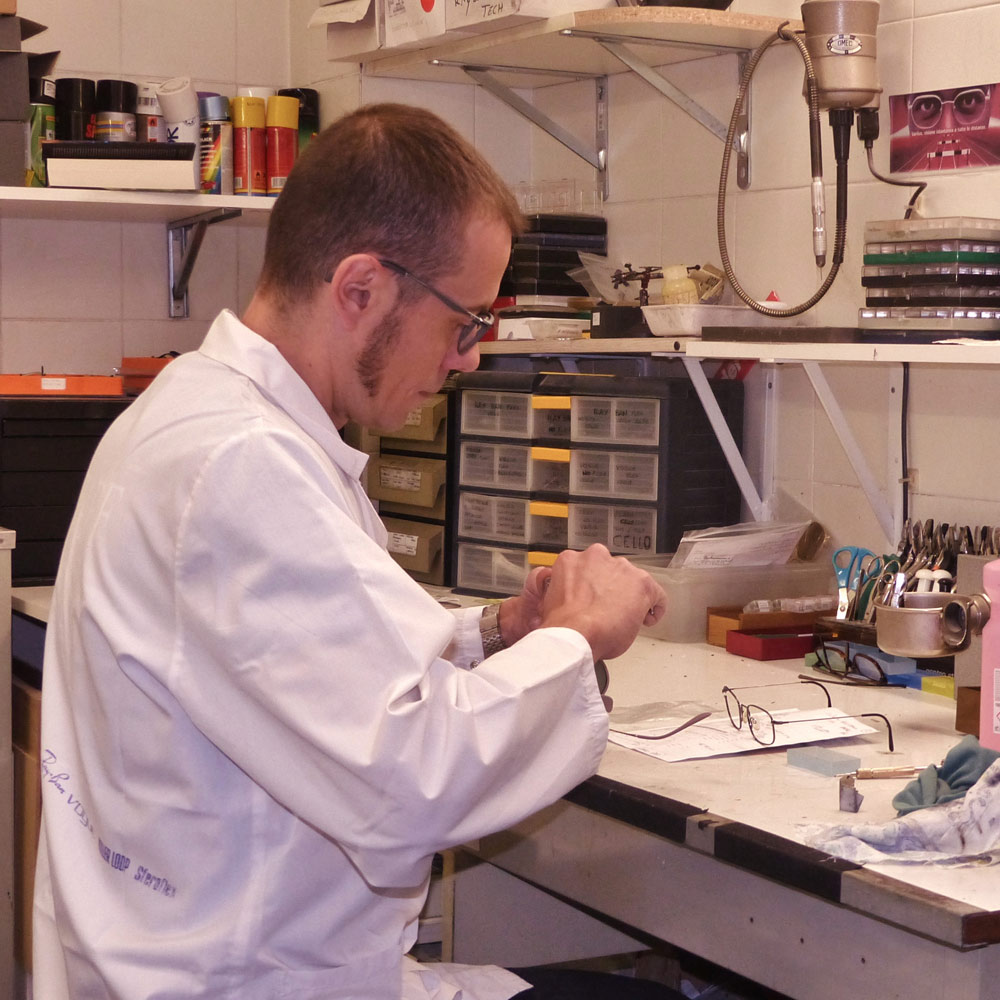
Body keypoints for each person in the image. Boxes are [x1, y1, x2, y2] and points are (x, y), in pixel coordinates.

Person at [33, 103, 674, 1000]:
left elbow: (317, 664)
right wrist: (580, 635)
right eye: (465, 322)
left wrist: (499, 631)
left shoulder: (212, 418)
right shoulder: (237, 464)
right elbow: (414, 781)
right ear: (362, 288)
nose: (470, 359)